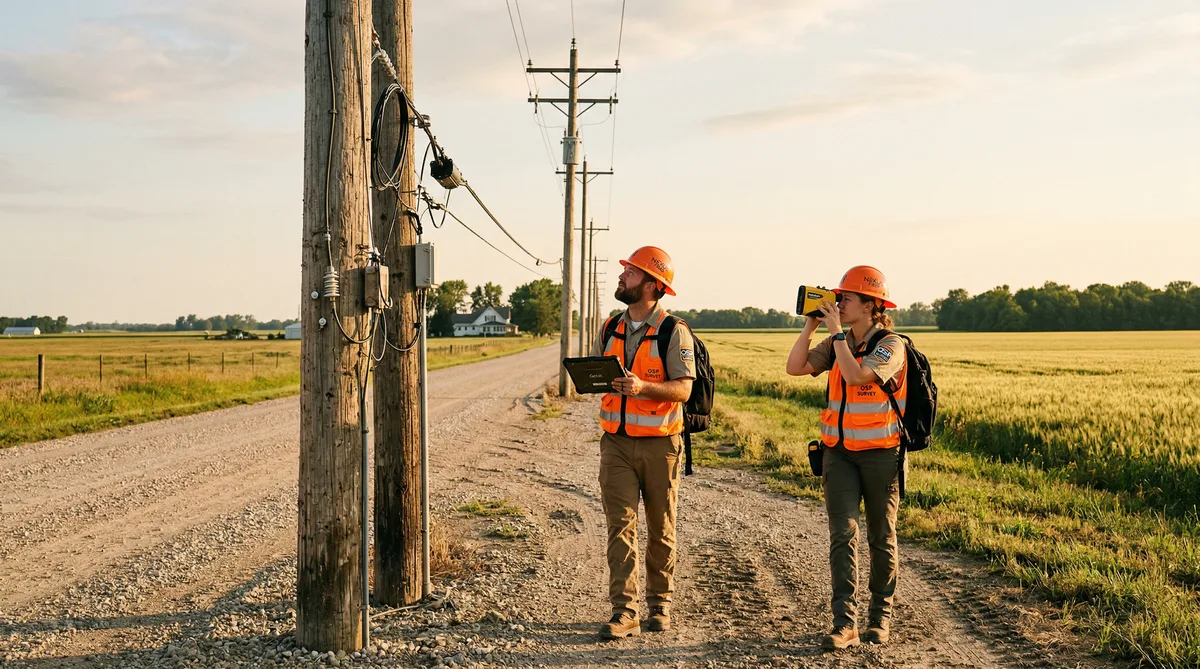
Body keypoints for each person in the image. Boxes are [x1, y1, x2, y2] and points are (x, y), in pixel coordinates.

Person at [785, 266, 907, 650]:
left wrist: (836, 333)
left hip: (881, 456)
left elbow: (856, 376)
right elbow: (795, 367)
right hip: (837, 454)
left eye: (847, 298)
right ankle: (844, 622)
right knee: (842, 535)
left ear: (872, 305)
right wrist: (811, 327)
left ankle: (879, 618)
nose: (839, 303)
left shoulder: (891, 345)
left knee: (881, 536)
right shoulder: (837, 341)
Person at [591, 246, 696, 640]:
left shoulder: (674, 331)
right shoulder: (609, 326)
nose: (622, 277)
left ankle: (660, 605)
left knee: (660, 527)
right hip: (614, 442)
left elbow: (684, 390)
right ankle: (624, 610)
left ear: (653, 285)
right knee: (620, 526)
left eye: (631, 273)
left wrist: (643, 387)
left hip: (660, 444)